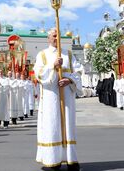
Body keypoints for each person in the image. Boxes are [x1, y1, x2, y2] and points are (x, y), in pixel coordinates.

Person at [34, 28, 82, 171]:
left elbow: (79, 72)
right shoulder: (42, 55)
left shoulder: (68, 54)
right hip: (51, 99)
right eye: (53, 36)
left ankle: (71, 160)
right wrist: (52, 66)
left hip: (67, 98)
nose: (56, 38)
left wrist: (69, 79)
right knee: (52, 126)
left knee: (67, 125)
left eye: (58, 36)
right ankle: (53, 160)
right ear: (48, 38)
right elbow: (39, 74)